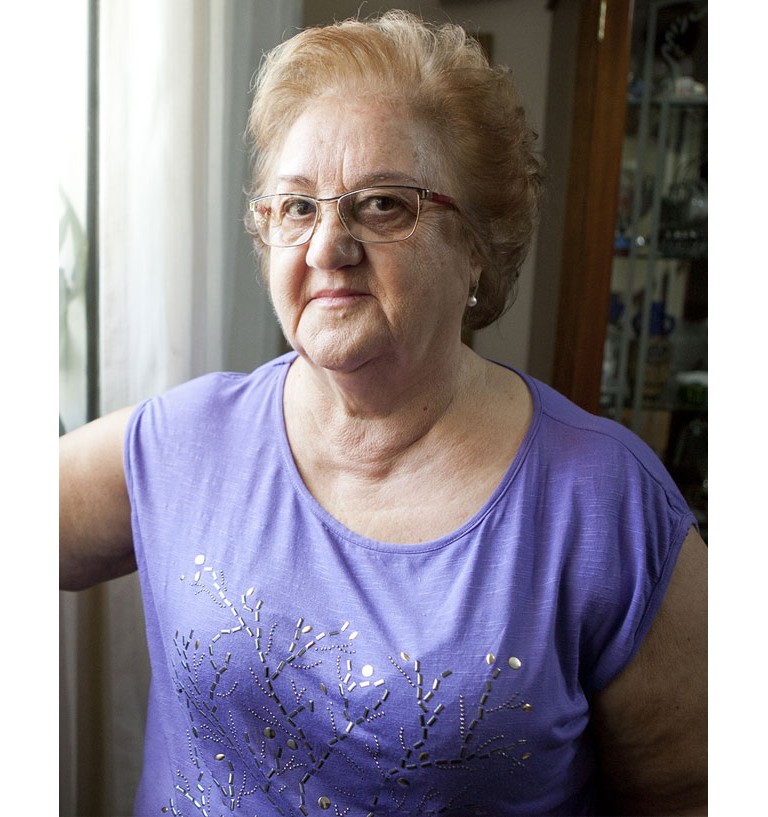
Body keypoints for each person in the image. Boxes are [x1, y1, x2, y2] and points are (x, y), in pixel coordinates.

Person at [59, 10, 707, 816]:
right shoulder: (184, 442)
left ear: (479, 240)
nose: (327, 245)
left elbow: (692, 790)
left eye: (381, 205)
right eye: (296, 207)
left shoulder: (605, 505)